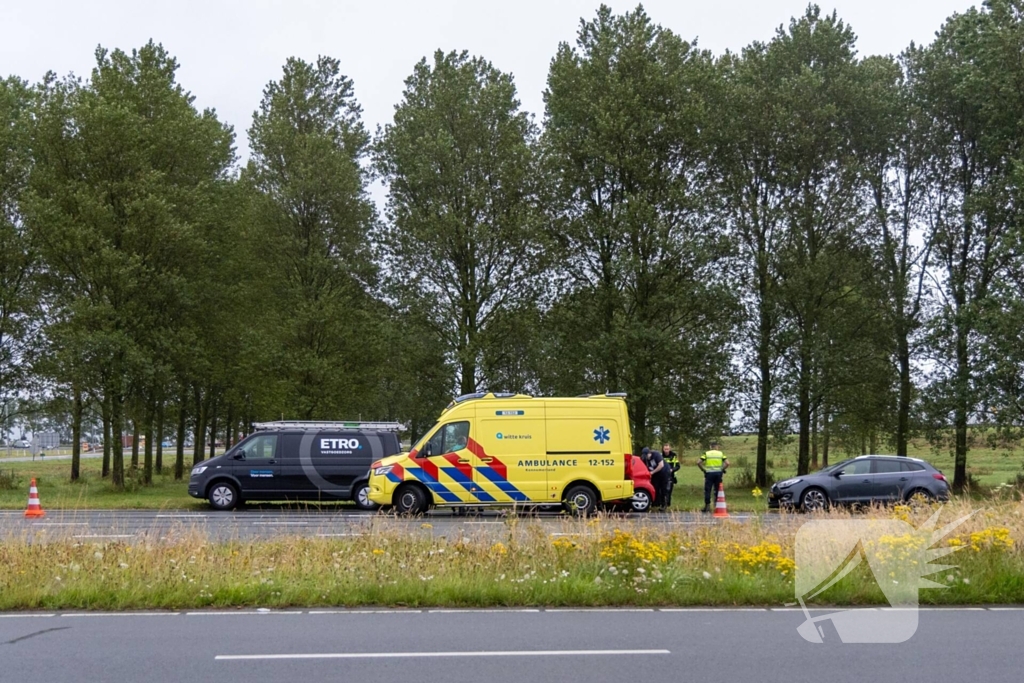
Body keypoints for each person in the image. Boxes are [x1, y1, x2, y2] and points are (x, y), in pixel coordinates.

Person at [698, 439, 729, 513]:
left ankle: (707, 506)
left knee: (708, 490)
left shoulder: (706, 453)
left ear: (710, 447)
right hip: (718, 473)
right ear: (717, 447)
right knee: (717, 489)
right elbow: (727, 463)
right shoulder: (720, 453)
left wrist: (703, 470)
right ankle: (717, 505)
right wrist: (722, 469)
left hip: (709, 473)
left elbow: (698, 462)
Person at [642, 446, 671, 511]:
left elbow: (661, 465)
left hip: (664, 472)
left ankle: (664, 504)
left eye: (647, 456)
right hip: (655, 474)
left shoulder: (656, 455)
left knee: (664, 489)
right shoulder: (645, 459)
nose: (647, 458)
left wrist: (652, 472)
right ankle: (656, 503)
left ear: (649, 453)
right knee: (655, 487)